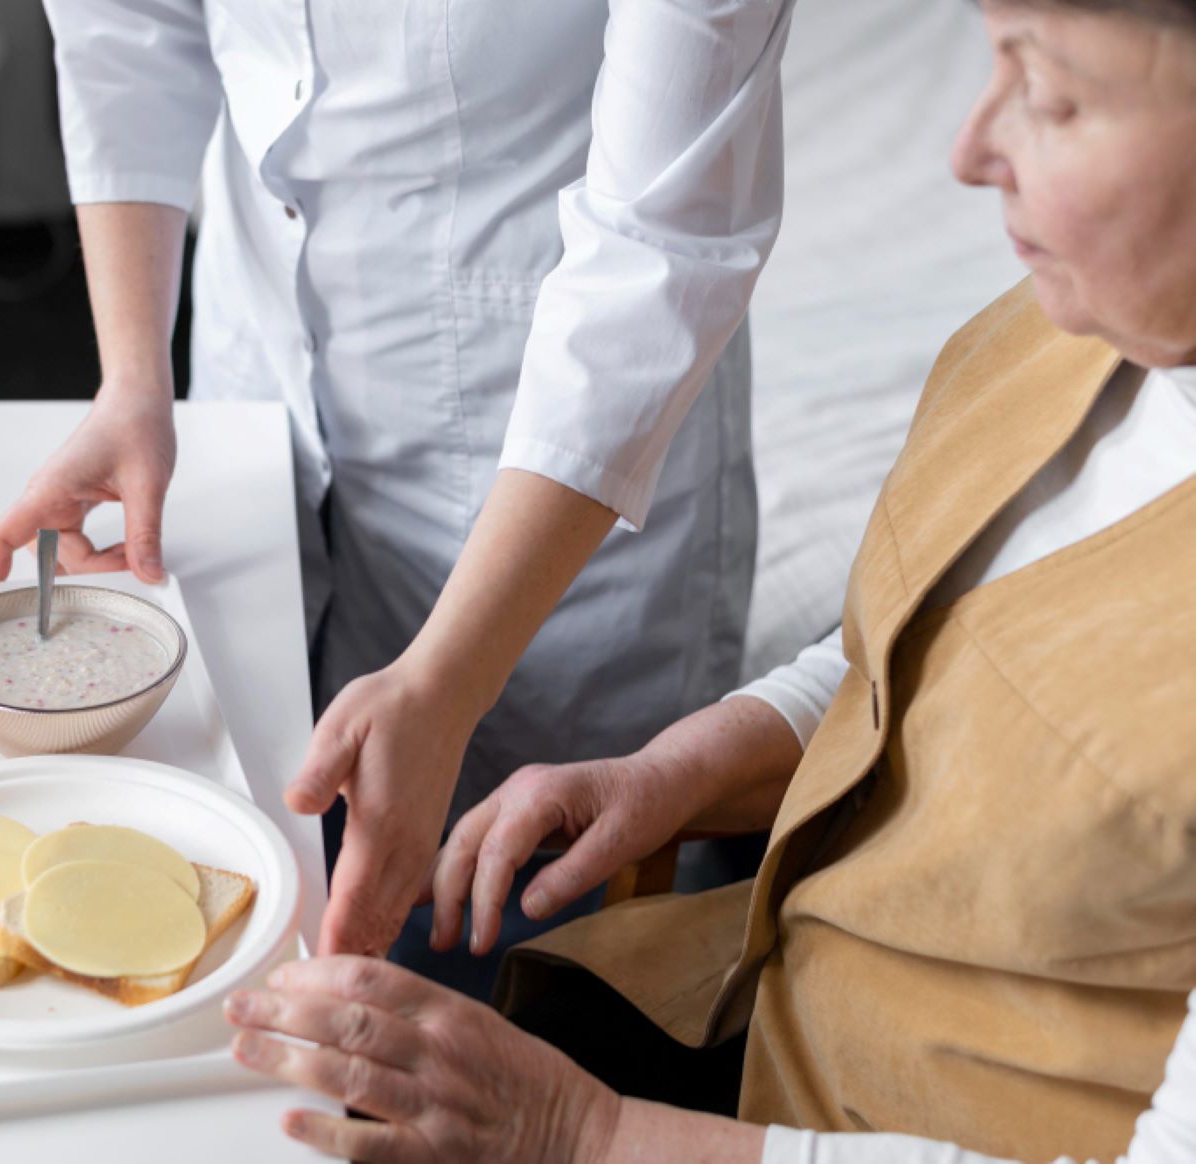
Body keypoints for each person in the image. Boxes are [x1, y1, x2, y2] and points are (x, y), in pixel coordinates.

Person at [222, 0, 1196, 1159]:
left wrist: (579, 1131)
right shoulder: (1076, 332)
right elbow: (920, 644)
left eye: (1049, 92)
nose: (968, 150)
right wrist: (680, 772)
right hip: (769, 1030)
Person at [0, 0, 796, 972]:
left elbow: (659, 245)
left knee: (514, 976)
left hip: (547, 484)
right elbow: (130, 28)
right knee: (241, 904)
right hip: (256, 392)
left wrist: (447, 682)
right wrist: (132, 382)